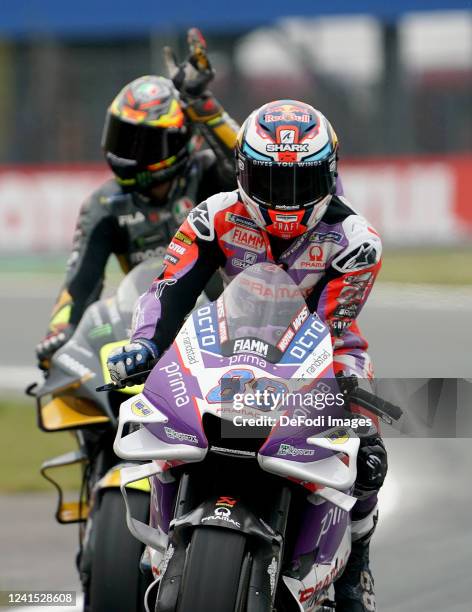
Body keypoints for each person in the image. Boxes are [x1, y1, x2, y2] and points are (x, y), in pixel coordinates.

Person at [107, 100, 387, 611]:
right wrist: (145, 344)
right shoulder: (211, 218)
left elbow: (329, 325)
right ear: (241, 174)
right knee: (152, 409)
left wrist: (332, 400)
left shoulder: (356, 242)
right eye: (271, 182)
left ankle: (354, 570)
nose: (285, 200)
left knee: (367, 453)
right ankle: (158, 542)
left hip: (326, 349)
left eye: (300, 184)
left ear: (329, 176)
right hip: (227, 333)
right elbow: (169, 291)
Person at [36, 30, 239, 369]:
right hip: (147, 335)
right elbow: (81, 280)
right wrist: (60, 332)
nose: (127, 153)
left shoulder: (211, 175)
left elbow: (254, 168)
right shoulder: (105, 204)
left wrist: (204, 106)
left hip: (226, 330)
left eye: (142, 142)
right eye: (122, 135)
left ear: (177, 140)